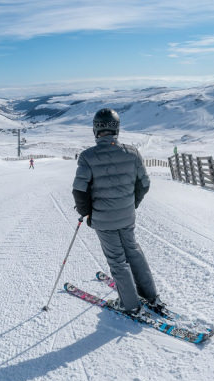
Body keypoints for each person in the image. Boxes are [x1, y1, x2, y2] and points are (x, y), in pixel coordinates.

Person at [72, 108, 162, 317]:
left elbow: (79, 190)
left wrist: (87, 213)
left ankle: (130, 305)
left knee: (117, 259)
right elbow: (144, 184)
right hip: (127, 215)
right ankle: (149, 294)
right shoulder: (132, 152)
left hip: (104, 219)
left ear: (95, 129)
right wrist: (133, 203)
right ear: (117, 129)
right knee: (133, 251)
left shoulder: (87, 156)